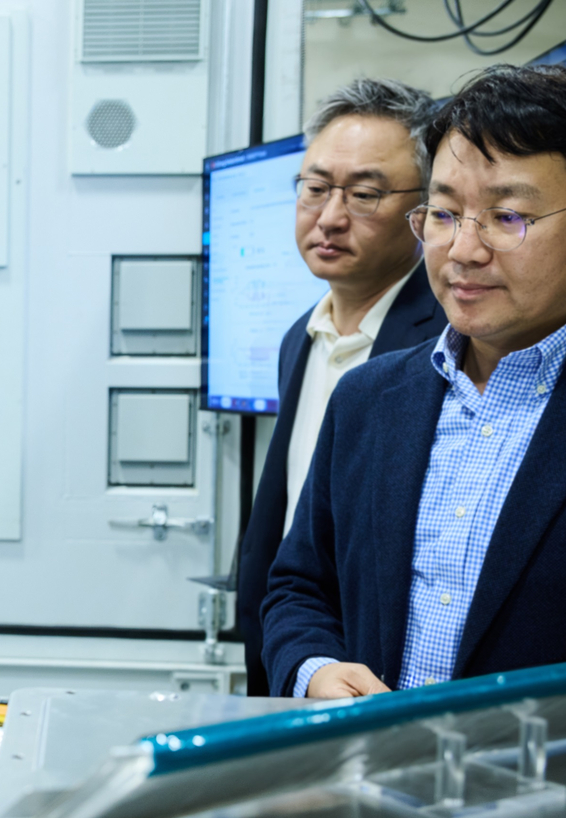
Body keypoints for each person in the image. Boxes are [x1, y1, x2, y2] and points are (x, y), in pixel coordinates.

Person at [262, 64, 566, 699]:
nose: (463, 249)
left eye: (508, 217)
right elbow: (299, 584)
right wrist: (314, 666)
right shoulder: (370, 397)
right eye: (445, 213)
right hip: (376, 782)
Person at [237, 79, 448, 696]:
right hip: (299, 664)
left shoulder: (449, 346)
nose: (329, 217)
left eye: (363, 194)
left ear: (427, 208)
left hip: (379, 687)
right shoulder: (299, 338)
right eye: (315, 188)